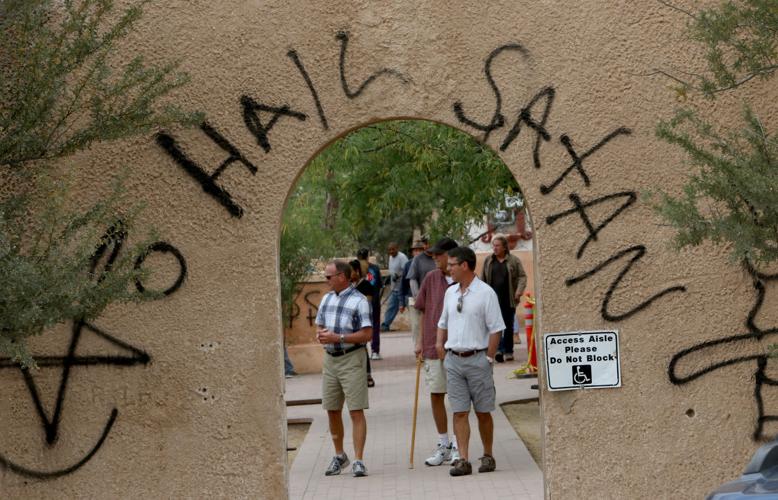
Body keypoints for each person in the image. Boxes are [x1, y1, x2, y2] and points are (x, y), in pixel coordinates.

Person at [436, 246, 505, 477]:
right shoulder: (450, 292)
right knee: (459, 411)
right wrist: (439, 346)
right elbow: (442, 322)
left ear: (464, 265)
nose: (448, 269)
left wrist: (488, 357)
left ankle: (487, 455)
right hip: (454, 360)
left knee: (483, 411)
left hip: (478, 359)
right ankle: (463, 459)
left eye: (452, 265)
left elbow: (497, 329)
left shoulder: (486, 293)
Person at [316, 260, 373, 477]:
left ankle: (359, 459)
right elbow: (320, 324)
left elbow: (367, 334)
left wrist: (338, 337)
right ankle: (340, 455)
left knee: (356, 410)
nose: (326, 281)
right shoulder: (327, 298)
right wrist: (320, 334)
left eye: (328, 277)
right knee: (332, 409)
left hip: (352, 358)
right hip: (330, 359)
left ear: (342, 276)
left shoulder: (359, 301)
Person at [413, 237, 459, 466]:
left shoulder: (465, 279)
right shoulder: (431, 278)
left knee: (459, 397)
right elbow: (421, 310)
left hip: (459, 347)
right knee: (437, 393)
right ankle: (444, 444)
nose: (435, 259)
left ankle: (460, 445)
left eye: (438, 255)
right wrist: (419, 342)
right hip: (433, 344)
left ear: (451, 255)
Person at [481, 235, 527, 362]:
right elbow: (483, 279)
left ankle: (508, 351)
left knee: (508, 326)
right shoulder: (488, 260)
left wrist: (518, 292)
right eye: (493, 245)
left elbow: (522, 277)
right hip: (492, 299)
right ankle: (498, 350)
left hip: (509, 299)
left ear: (504, 247)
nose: (494, 248)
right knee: (495, 327)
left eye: (497, 245)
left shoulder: (513, 260)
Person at [404, 237, 436, 346]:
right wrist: (418, 297)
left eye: (428, 243)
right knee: (418, 327)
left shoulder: (439, 258)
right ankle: (419, 353)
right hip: (419, 300)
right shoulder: (417, 260)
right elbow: (412, 280)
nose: (426, 246)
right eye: (425, 243)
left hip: (436, 300)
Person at [349, 259, 377, 387]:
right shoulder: (349, 286)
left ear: (357, 271)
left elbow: (368, 305)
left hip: (362, 320)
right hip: (350, 322)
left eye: (351, 271)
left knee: (362, 347)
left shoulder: (366, 286)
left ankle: (367, 374)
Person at [357, 248, 383, 361]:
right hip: (373, 301)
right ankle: (375, 351)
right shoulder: (375, 268)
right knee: (375, 326)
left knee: (359, 326)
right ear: (368, 256)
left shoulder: (354, 268)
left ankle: (360, 350)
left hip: (358, 302)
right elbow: (380, 285)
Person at [379, 241, 408, 336]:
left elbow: (407, 269)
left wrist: (399, 275)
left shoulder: (402, 257)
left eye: (393, 249)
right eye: (389, 250)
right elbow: (391, 271)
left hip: (404, 288)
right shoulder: (391, 257)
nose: (391, 251)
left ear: (397, 248)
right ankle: (385, 325)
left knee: (410, 307)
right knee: (391, 307)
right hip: (394, 287)